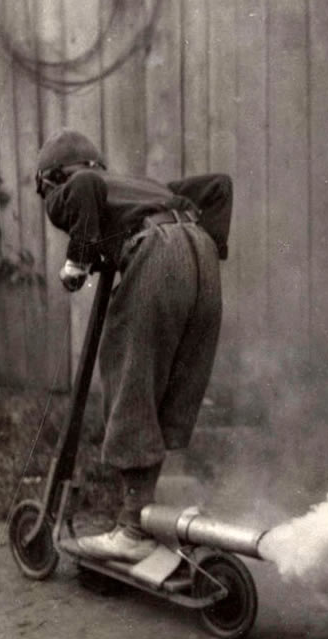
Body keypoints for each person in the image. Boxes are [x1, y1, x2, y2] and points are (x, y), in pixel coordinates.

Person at [35, 128, 232, 562]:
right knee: (170, 387)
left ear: (51, 180)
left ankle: (131, 530)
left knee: (130, 380)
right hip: (199, 256)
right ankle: (149, 513)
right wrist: (208, 245)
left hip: (157, 252)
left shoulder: (72, 188)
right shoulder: (144, 189)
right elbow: (219, 185)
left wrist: (77, 259)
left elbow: (82, 188)